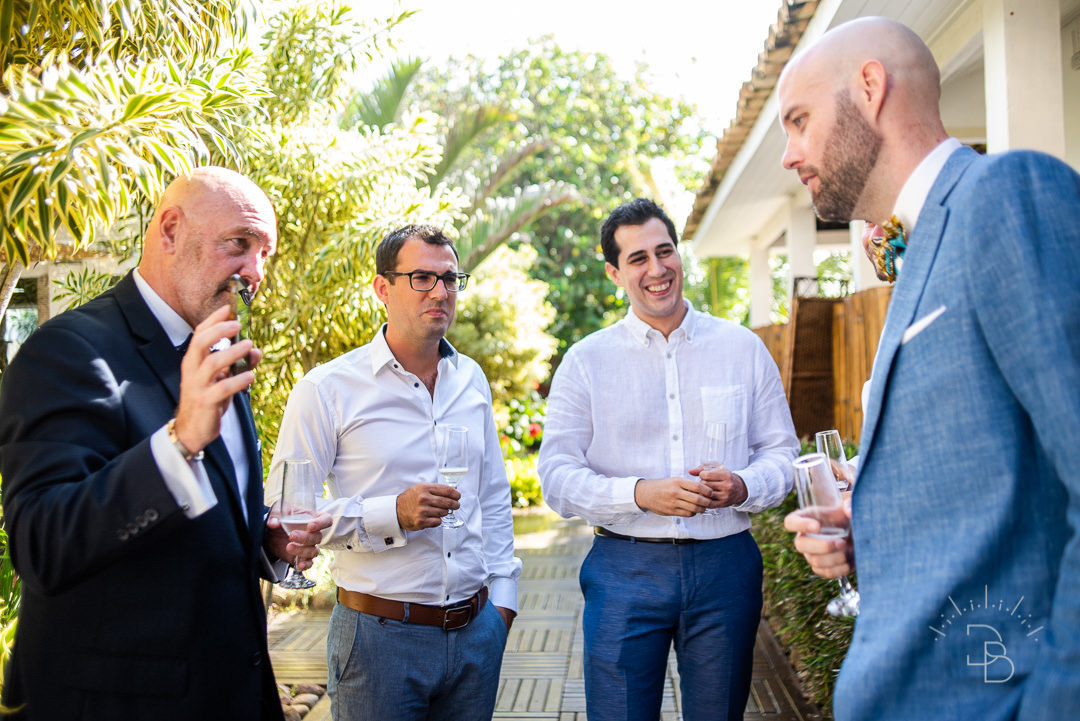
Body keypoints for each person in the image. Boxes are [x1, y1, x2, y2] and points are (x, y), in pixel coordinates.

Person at [777, 16, 1080, 720]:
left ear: (871, 88)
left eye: (799, 120)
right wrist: (870, 524)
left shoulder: (1005, 194)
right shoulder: (922, 249)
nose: (790, 155)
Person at [0, 167, 330, 720]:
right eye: (239, 244)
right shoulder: (67, 351)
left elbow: (197, 524)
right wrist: (179, 442)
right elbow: (43, 548)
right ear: (170, 230)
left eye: (264, 254)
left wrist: (264, 543)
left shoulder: (213, 351)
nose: (255, 272)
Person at [537, 198, 798, 721]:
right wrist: (638, 493)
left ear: (679, 255)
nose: (656, 270)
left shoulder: (742, 348)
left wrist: (742, 486)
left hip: (726, 567)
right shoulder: (586, 362)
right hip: (623, 568)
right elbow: (556, 478)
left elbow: (783, 456)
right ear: (614, 273)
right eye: (638, 259)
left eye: (665, 251)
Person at [268, 224, 521, 721]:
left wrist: (503, 606)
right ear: (383, 288)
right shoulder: (327, 389)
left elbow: (492, 494)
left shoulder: (470, 379)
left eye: (450, 279)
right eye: (422, 278)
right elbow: (285, 515)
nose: (441, 292)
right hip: (378, 639)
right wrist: (393, 514)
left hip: (476, 635)